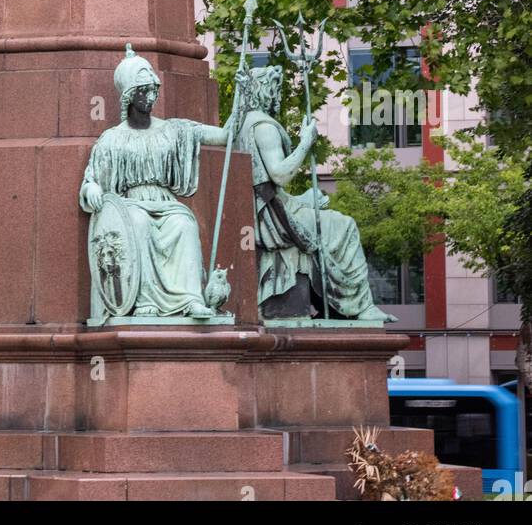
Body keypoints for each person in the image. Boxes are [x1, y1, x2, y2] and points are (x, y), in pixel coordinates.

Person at [80, 45, 232, 321]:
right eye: (143, 91)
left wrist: (243, 104)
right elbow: (94, 178)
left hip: (165, 203)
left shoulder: (172, 130)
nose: (150, 97)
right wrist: (91, 188)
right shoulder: (113, 139)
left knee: (184, 224)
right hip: (132, 205)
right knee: (138, 224)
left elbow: (224, 137)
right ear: (128, 96)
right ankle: (144, 300)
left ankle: (190, 299)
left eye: (153, 90)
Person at [235, 63, 394, 322]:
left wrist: (301, 198)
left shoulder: (241, 123)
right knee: (344, 225)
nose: (278, 96)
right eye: (275, 90)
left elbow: (266, 187)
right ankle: (360, 306)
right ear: (264, 91)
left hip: (267, 209)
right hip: (273, 220)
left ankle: (339, 304)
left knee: (324, 212)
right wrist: (306, 142)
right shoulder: (264, 127)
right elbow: (280, 174)